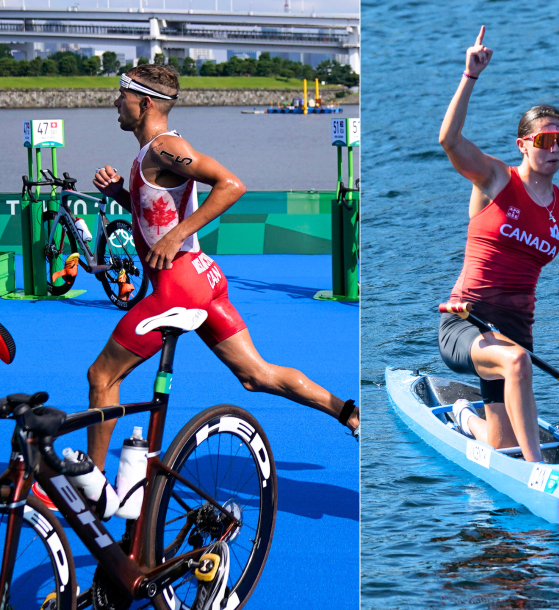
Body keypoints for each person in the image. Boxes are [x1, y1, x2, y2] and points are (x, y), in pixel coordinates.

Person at [38, 65, 358, 493]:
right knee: (257, 376)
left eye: (121, 96)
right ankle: (349, 414)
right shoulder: (152, 153)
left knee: (102, 377)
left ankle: (90, 494)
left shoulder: (164, 147)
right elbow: (160, 211)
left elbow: (231, 184)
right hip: (202, 279)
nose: (115, 102)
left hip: (179, 286)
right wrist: (121, 196)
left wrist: (175, 235)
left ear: (145, 102)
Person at [438, 27, 559, 462]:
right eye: (545, 140)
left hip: (515, 333)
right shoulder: (494, 179)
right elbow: (449, 141)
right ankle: (537, 470)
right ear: (524, 145)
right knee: (518, 364)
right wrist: (470, 76)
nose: (555, 148)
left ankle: (465, 416)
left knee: (500, 442)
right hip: (465, 324)